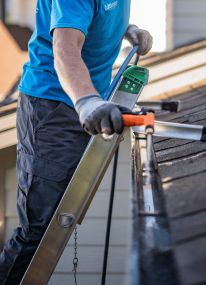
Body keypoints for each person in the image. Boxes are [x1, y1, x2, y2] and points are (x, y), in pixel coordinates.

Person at [0, 0, 153, 284]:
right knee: (39, 230)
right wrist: (86, 101)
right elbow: (65, 47)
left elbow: (90, 17)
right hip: (53, 106)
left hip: (83, 102)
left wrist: (125, 30)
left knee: (58, 219)